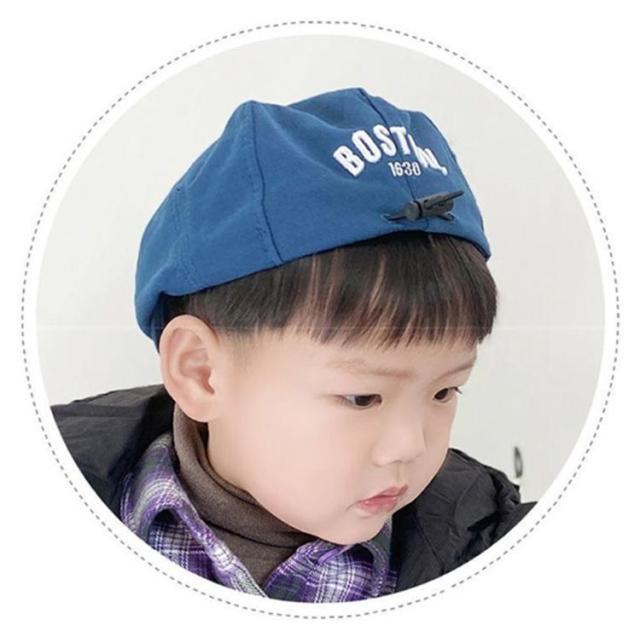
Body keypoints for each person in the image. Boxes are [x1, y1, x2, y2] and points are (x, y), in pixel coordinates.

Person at [52, 87, 536, 603]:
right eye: (362, 397)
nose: (409, 446)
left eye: (444, 392)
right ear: (201, 373)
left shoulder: (496, 550)